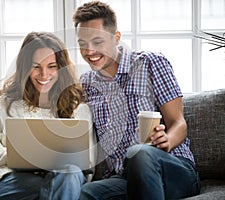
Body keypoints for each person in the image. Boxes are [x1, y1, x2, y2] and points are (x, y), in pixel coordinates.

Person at [72, 1, 200, 199]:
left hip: (171, 169)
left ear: (116, 38)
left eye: (97, 42)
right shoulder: (87, 83)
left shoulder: (150, 63)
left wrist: (167, 141)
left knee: (139, 153)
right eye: (82, 44)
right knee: (84, 193)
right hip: (124, 178)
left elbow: (179, 123)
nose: (89, 51)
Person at [0, 32, 93, 200]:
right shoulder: (5, 105)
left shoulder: (79, 108)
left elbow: (89, 161)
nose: (44, 74)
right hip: (15, 179)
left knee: (69, 174)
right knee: (63, 191)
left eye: (52, 66)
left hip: (65, 179)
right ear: (25, 68)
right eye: (36, 66)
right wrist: (18, 156)